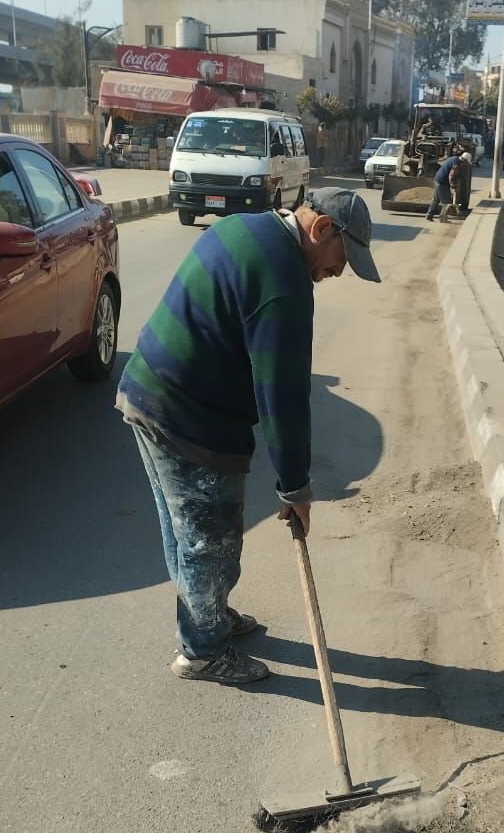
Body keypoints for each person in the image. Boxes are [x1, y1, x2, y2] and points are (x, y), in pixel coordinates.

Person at [116, 188, 381, 686]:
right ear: (322, 228)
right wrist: (295, 487)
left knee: (185, 532)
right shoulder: (285, 281)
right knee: (209, 542)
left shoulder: (248, 226)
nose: (339, 271)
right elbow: (282, 394)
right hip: (187, 417)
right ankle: (202, 651)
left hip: (146, 390)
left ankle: (208, 615)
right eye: (342, 257)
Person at [425, 149, 462, 222]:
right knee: (447, 202)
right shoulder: (456, 163)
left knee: (436, 200)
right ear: (464, 160)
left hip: (437, 179)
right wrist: (453, 186)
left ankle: (429, 215)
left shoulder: (453, 158)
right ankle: (442, 218)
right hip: (442, 182)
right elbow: (451, 176)